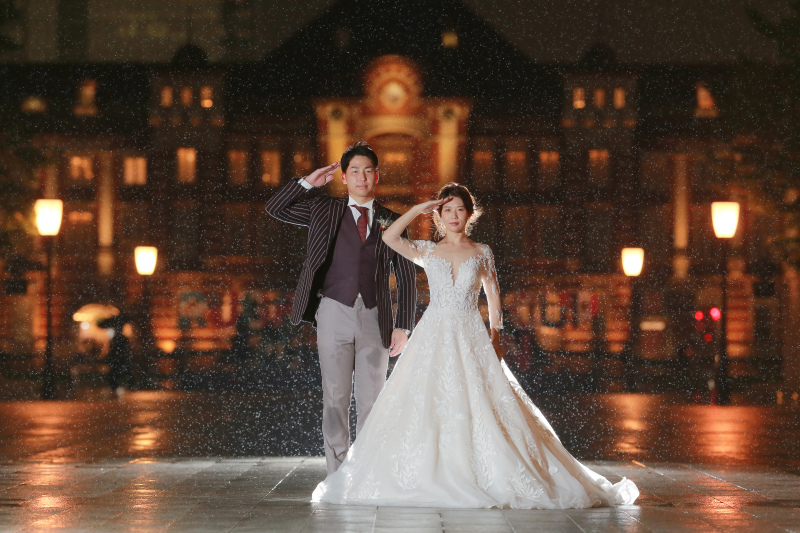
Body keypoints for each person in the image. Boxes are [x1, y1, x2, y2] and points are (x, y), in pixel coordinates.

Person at [312, 183, 639, 509]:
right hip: (434, 333)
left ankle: (484, 468)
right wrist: (417, 209)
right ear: (439, 215)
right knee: (423, 402)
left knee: (483, 402)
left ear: (470, 214)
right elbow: (388, 237)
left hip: (470, 333)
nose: (453, 215)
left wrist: (496, 339)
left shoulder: (482, 252)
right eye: (447, 209)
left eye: (459, 209)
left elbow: (493, 298)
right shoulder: (427, 250)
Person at [265, 142, 417, 474]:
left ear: (376, 176)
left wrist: (404, 326)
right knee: (335, 399)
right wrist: (308, 182)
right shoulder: (323, 209)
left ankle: (366, 473)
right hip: (332, 311)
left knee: (372, 401)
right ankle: (337, 473)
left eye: (367, 171)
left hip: (376, 318)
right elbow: (274, 208)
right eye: (354, 171)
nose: (361, 177)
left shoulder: (393, 220)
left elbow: (406, 277)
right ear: (344, 178)